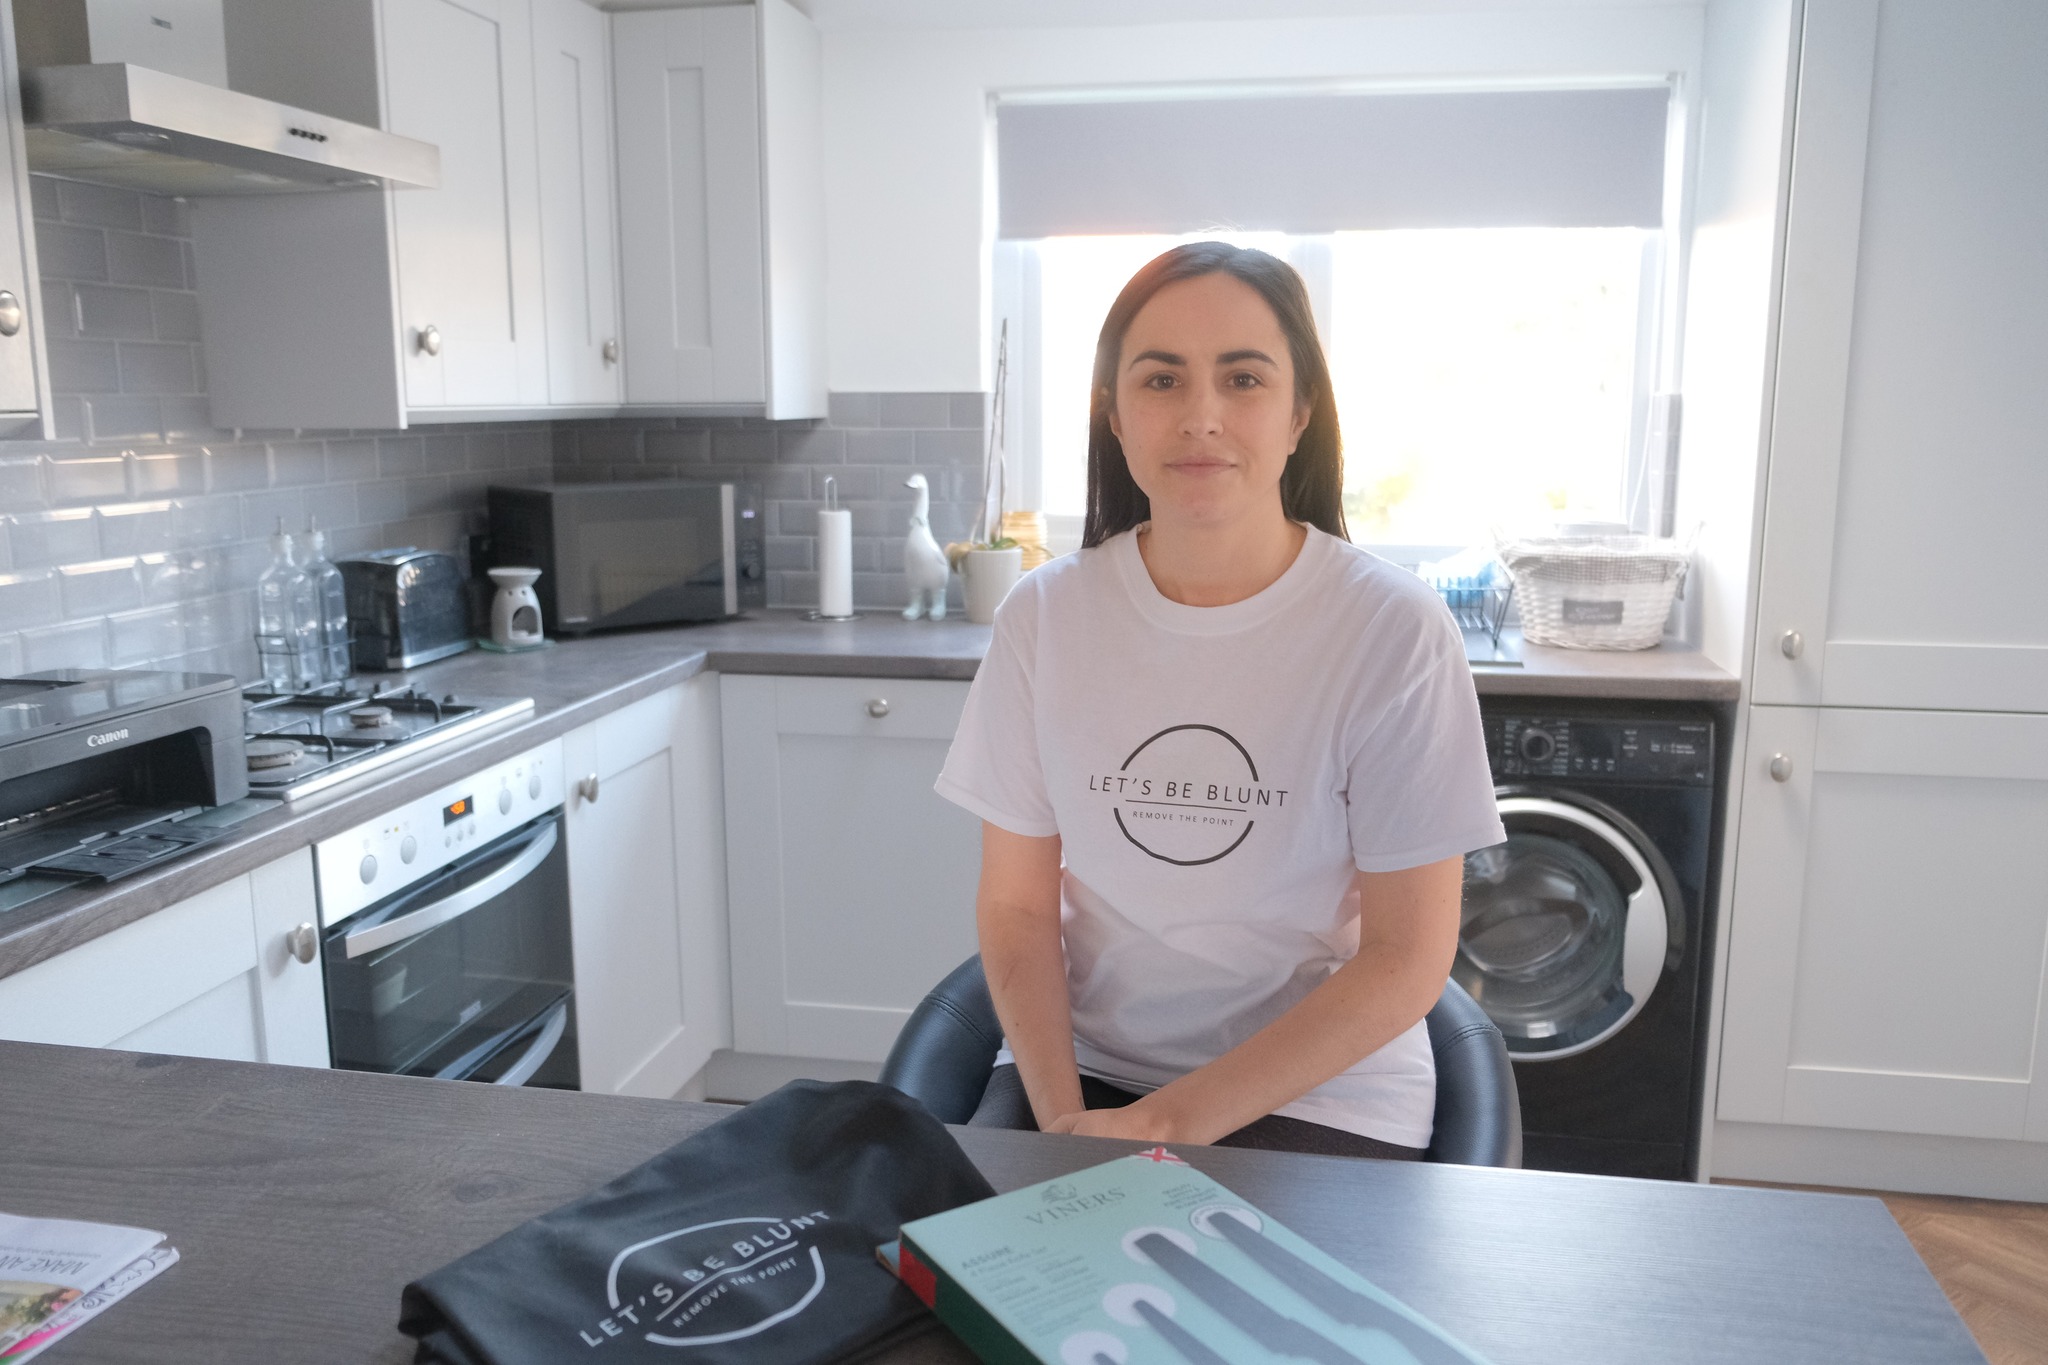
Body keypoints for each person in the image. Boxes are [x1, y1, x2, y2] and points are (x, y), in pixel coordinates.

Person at [933, 241, 1504, 1159]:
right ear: (1113, 414)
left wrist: (1166, 1125)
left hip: (1323, 1093)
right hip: (1087, 1073)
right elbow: (1019, 908)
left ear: (1299, 413)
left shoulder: (1393, 630)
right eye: (1161, 381)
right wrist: (1061, 1118)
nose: (1201, 416)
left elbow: (1406, 957)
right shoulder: (1044, 616)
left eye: (1243, 378)